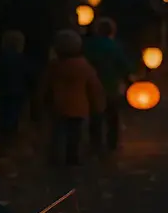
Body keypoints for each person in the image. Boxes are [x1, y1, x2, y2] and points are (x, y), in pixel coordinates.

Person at [42, 29, 105, 168]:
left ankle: (55, 157)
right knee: (75, 135)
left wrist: (42, 101)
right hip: (79, 107)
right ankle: (72, 158)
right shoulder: (84, 66)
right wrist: (98, 106)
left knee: (57, 132)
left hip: (57, 106)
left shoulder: (54, 66)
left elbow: (46, 85)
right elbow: (94, 87)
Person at [83, 18, 135, 153]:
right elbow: (123, 65)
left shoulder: (88, 45)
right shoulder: (114, 46)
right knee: (112, 116)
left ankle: (95, 143)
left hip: (92, 85)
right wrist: (129, 81)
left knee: (95, 115)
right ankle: (112, 143)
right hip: (110, 85)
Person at [0, 31, 35, 148]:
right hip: (18, 91)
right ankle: (9, 136)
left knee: (4, 111)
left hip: (2, 90)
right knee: (14, 113)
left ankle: (3, 134)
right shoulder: (22, 59)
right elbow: (29, 75)